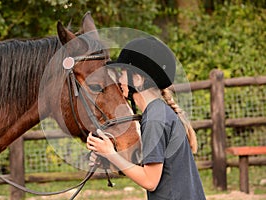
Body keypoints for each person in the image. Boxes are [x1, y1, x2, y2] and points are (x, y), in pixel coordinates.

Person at [86, 37, 206, 200]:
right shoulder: (157, 112)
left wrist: (110, 153)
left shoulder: (154, 119)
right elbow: (148, 170)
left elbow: (150, 181)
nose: (119, 80)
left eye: (122, 73)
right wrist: (108, 156)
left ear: (138, 78)